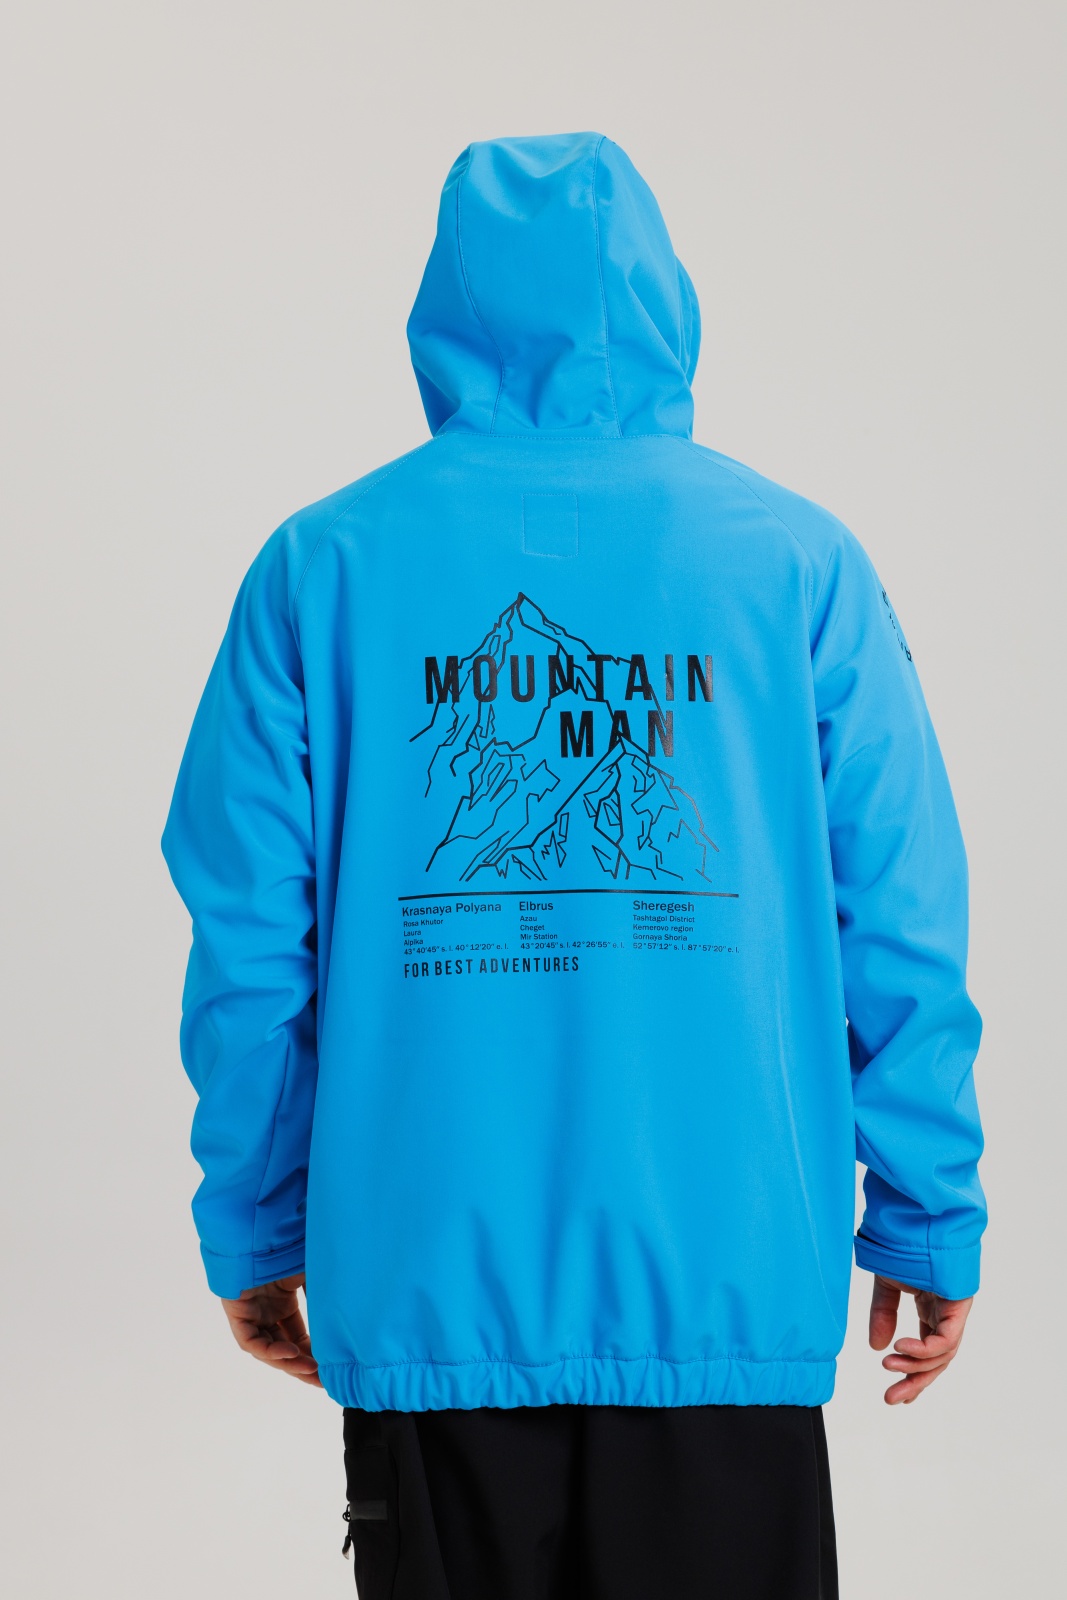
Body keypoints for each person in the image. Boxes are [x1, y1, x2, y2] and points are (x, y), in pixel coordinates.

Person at [163, 132, 986, 1600]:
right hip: (729, 1280)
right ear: (668, 299)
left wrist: (259, 1223)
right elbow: (902, 914)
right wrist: (928, 1209)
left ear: (443, 307)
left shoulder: (320, 567)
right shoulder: (796, 562)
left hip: (430, 1288)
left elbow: (250, 947)